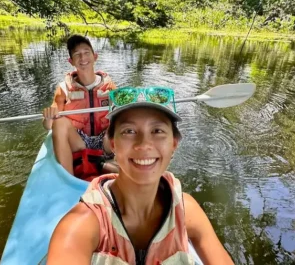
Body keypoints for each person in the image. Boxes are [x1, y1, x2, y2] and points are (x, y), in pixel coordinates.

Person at [47, 86, 234, 264]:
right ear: (113, 144)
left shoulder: (187, 211)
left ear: (174, 144)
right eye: (129, 131)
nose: (144, 144)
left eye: (157, 131)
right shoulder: (80, 225)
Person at [42, 35, 118, 176]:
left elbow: (120, 116)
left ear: (95, 56)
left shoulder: (110, 86)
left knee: (122, 119)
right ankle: (69, 179)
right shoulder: (63, 88)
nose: (83, 58)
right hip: (79, 143)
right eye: (77, 54)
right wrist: (48, 118)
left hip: (106, 141)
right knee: (59, 123)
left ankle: (104, 162)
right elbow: (48, 126)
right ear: (71, 61)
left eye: (86, 53)